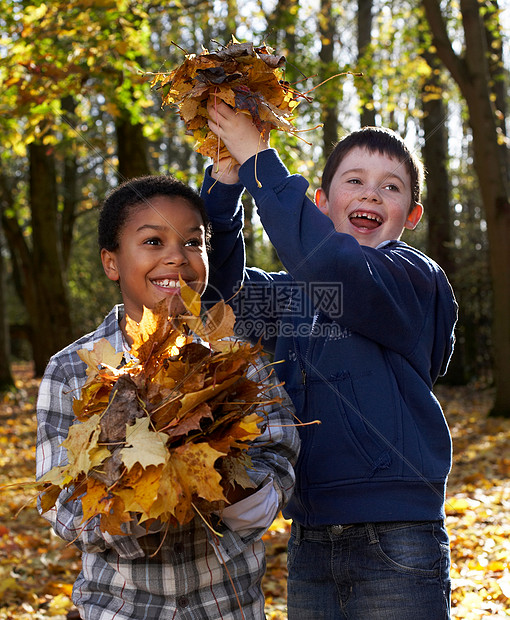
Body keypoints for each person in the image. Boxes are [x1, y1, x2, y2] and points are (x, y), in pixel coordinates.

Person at [200, 101, 458, 620]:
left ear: (411, 215)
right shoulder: (301, 294)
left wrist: (261, 161)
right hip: (312, 535)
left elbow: (339, 271)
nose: (370, 193)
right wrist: (225, 194)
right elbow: (219, 301)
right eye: (355, 181)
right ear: (321, 203)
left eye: (391, 187)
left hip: (397, 536)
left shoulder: (412, 279)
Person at [35, 175, 300, 620]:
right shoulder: (72, 370)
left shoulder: (239, 362)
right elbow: (63, 503)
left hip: (226, 607)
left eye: (193, 243)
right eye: (153, 241)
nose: (177, 257)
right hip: (118, 609)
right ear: (111, 262)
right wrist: (147, 493)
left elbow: (281, 455)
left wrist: (218, 478)